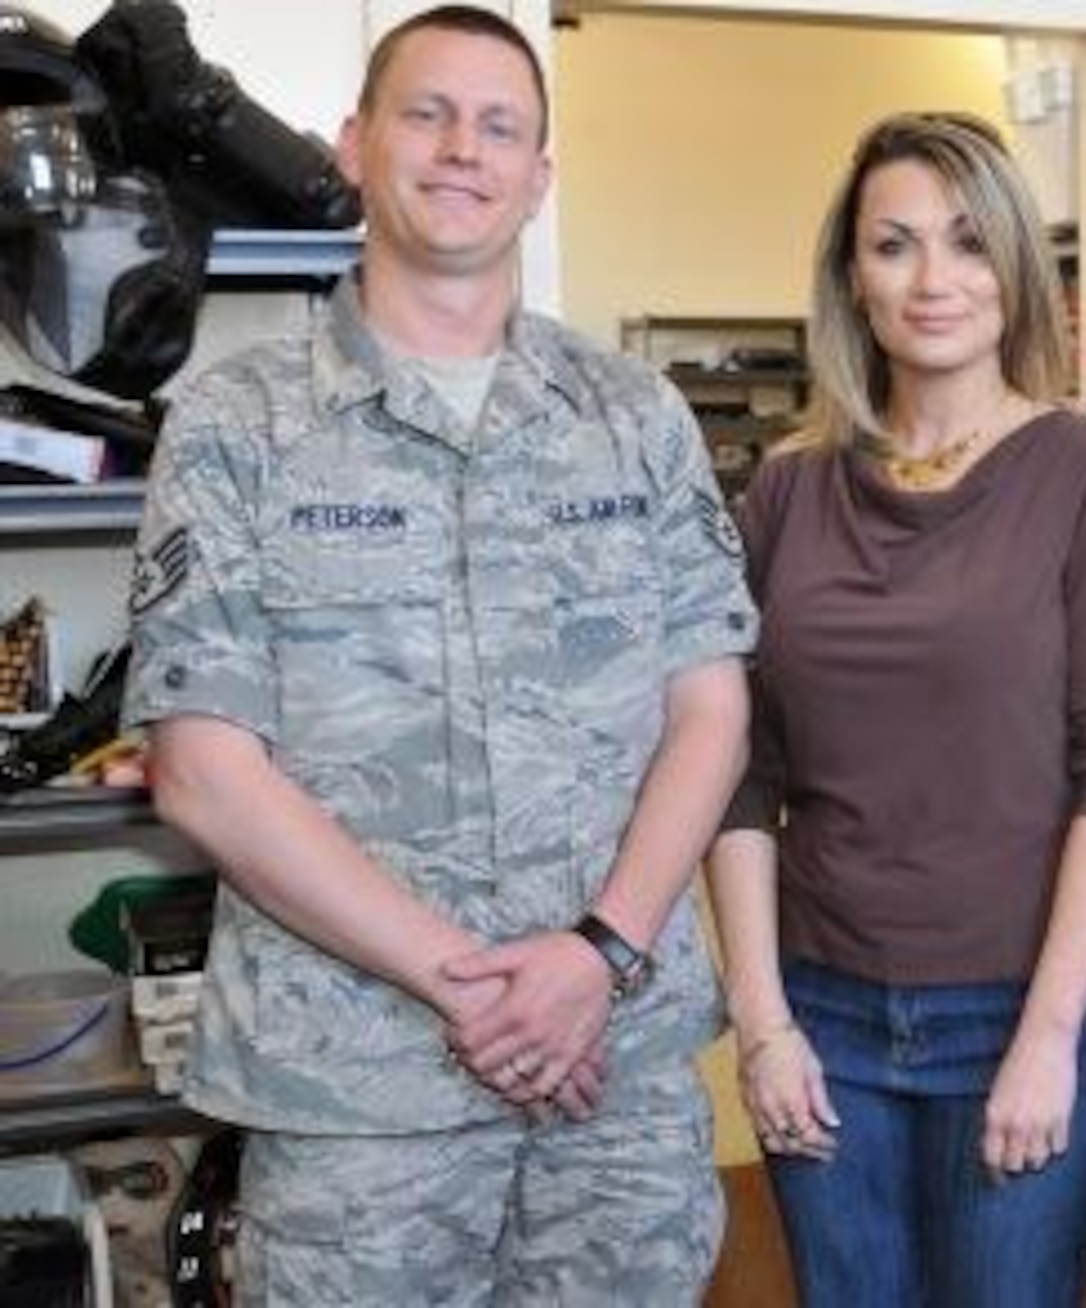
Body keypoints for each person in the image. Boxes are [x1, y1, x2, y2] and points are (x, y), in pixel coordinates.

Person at [122, 8, 756, 1303]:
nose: (464, 149)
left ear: (540, 174)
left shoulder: (633, 417)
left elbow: (710, 706)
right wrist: (476, 991)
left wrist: (600, 954)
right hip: (361, 1107)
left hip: (614, 1092)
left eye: (500, 125)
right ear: (354, 146)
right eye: (427, 113)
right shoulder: (235, 426)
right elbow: (201, 771)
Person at [705, 112, 1086, 1307]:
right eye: (895, 245)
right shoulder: (785, 489)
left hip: (1025, 1002)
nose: (934, 281)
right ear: (850, 278)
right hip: (820, 1006)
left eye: (968, 243)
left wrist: (1052, 1034)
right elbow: (739, 770)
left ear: (1015, 263)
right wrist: (760, 1025)